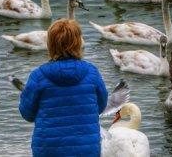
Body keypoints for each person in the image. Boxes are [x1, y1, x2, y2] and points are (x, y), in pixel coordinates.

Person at [19, 19, 108, 157]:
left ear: (50, 45)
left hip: (48, 150)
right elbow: (101, 107)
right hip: (86, 150)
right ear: (78, 43)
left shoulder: (38, 76)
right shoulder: (92, 72)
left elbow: (27, 114)